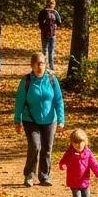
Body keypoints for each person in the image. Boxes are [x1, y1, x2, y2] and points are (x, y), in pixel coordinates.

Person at [14, 52, 65, 187]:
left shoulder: (52, 80)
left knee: (47, 148)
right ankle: (29, 175)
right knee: (35, 146)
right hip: (30, 119)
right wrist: (17, 120)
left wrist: (61, 120)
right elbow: (19, 101)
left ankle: (44, 176)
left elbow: (58, 100)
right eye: (37, 64)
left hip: (50, 119)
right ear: (32, 65)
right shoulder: (26, 81)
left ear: (45, 65)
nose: (39, 67)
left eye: (42, 63)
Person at [58, 127, 98, 197]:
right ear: (72, 143)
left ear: (85, 142)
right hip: (73, 182)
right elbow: (63, 161)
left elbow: (94, 164)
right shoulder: (69, 153)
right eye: (76, 143)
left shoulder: (88, 153)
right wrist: (63, 165)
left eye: (81, 142)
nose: (79, 145)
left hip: (85, 181)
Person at [38, 0, 62, 72]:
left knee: (44, 50)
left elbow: (40, 22)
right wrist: (55, 26)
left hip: (45, 34)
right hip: (53, 34)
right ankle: (52, 66)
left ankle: (45, 66)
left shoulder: (43, 12)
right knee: (51, 51)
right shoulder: (55, 12)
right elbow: (59, 22)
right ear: (53, 4)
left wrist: (42, 28)